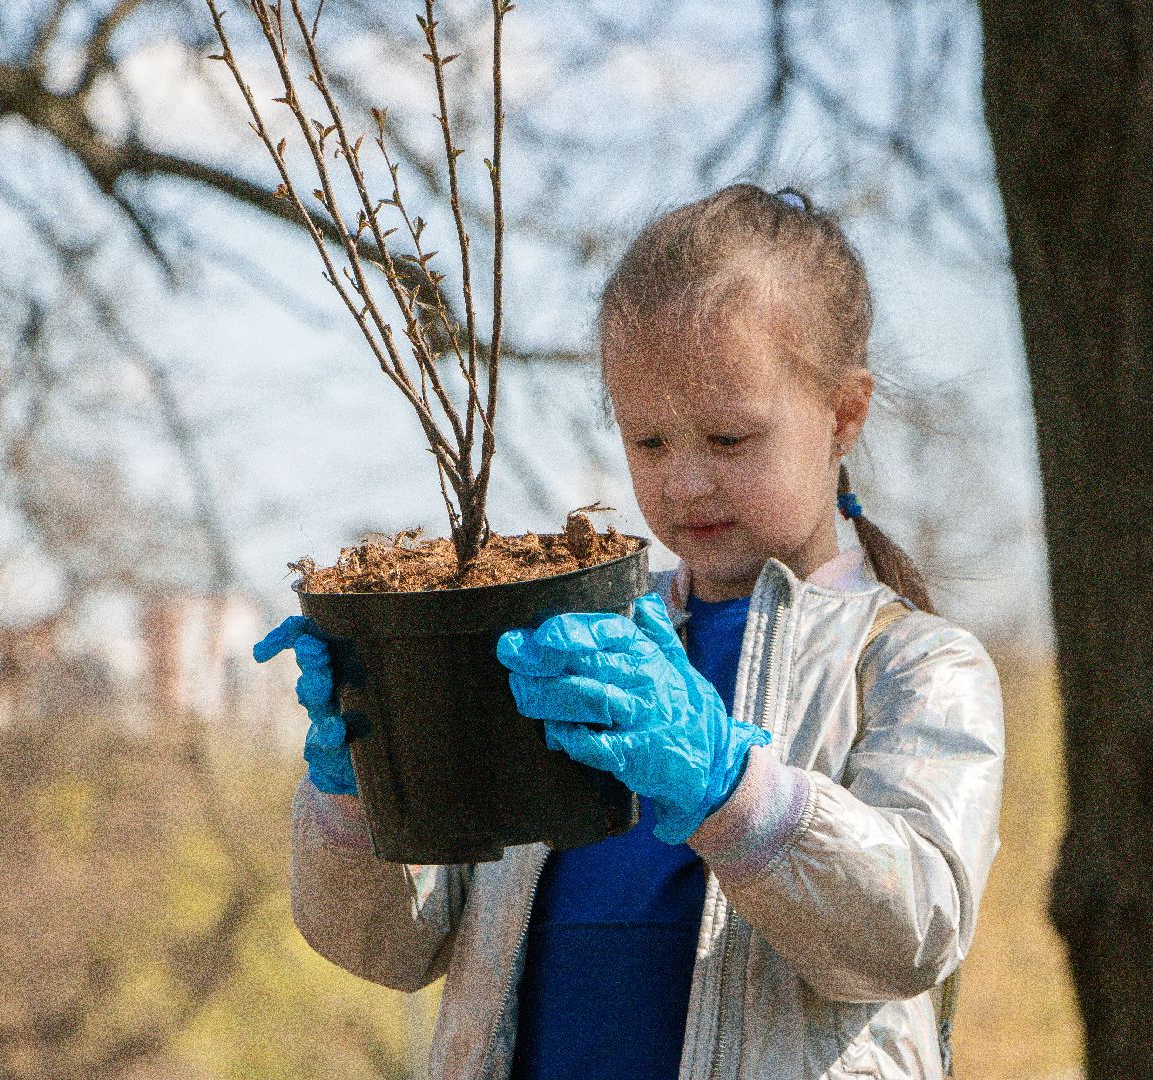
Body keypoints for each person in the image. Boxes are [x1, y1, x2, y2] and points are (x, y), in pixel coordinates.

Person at [255, 184, 1005, 1079]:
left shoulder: (916, 665)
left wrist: (734, 789)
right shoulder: (573, 645)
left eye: (728, 439)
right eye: (649, 442)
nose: (684, 482)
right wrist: (368, 787)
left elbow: (911, 932)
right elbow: (393, 949)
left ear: (845, 414)